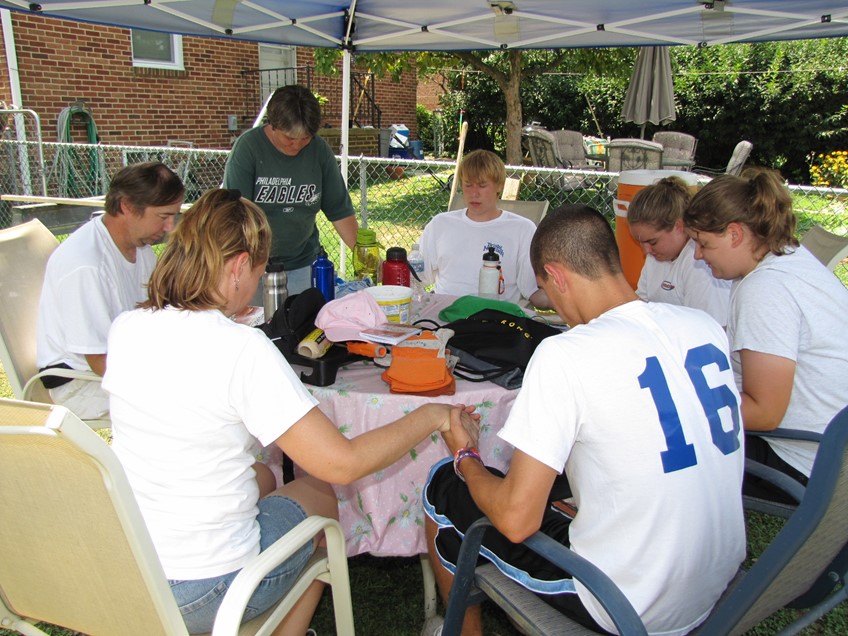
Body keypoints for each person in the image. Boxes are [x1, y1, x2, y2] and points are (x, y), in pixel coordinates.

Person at [103, 188, 478, 635]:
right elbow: (342, 463)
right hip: (205, 588)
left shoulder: (127, 327)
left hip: (129, 572)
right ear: (239, 266)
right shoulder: (240, 348)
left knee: (263, 479)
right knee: (319, 493)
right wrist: (433, 415)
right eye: (259, 271)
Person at [423, 206, 745, 636]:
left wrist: (466, 455)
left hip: (629, 602)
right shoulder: (703, 325)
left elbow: (518, 521)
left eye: (544, 290)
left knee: (444, 485)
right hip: (721, 583)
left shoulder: (565, 354)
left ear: (556, 276)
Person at [684, 168, 848, 499]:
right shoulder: (789, 258)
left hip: (806, 461)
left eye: (703, 243)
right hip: (833, 450)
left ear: (734, 234)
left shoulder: (765, 287)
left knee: (662, 438)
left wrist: (681, 403)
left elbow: (764, 413)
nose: (698, 255)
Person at [35, 161, 184, 419]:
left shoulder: (141, 250)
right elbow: (99, 362)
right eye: (163, 216)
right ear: (127, 206)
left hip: (114, 366)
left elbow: (160, 313)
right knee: (193, 403)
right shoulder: (86, 265)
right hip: (80, 384)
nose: (170, 227)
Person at [223, 84, 358, 296]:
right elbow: (235, 217)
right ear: (273, 125)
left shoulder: (319, 150)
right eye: (289, 138)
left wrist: (362, 254)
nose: (296, 145)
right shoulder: (248, 148)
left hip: (303, 264)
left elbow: (339, 210)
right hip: (254, 267)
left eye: (305, 138)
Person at [418, 149, 550, 309]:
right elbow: (418, 277)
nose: (474, 193)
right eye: (468, 185)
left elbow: (533, 292)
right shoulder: (440, 224)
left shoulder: (522, 229)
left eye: (482, 186)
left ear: (499, 186)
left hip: (497, 320)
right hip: (445, 316)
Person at [628, 176, 732, 327]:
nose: (645, 251)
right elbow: (640, 306)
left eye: (652, 242)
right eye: (640, 243)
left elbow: (708, 329)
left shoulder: (700, 263)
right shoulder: (656, 256)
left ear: (678, 226)